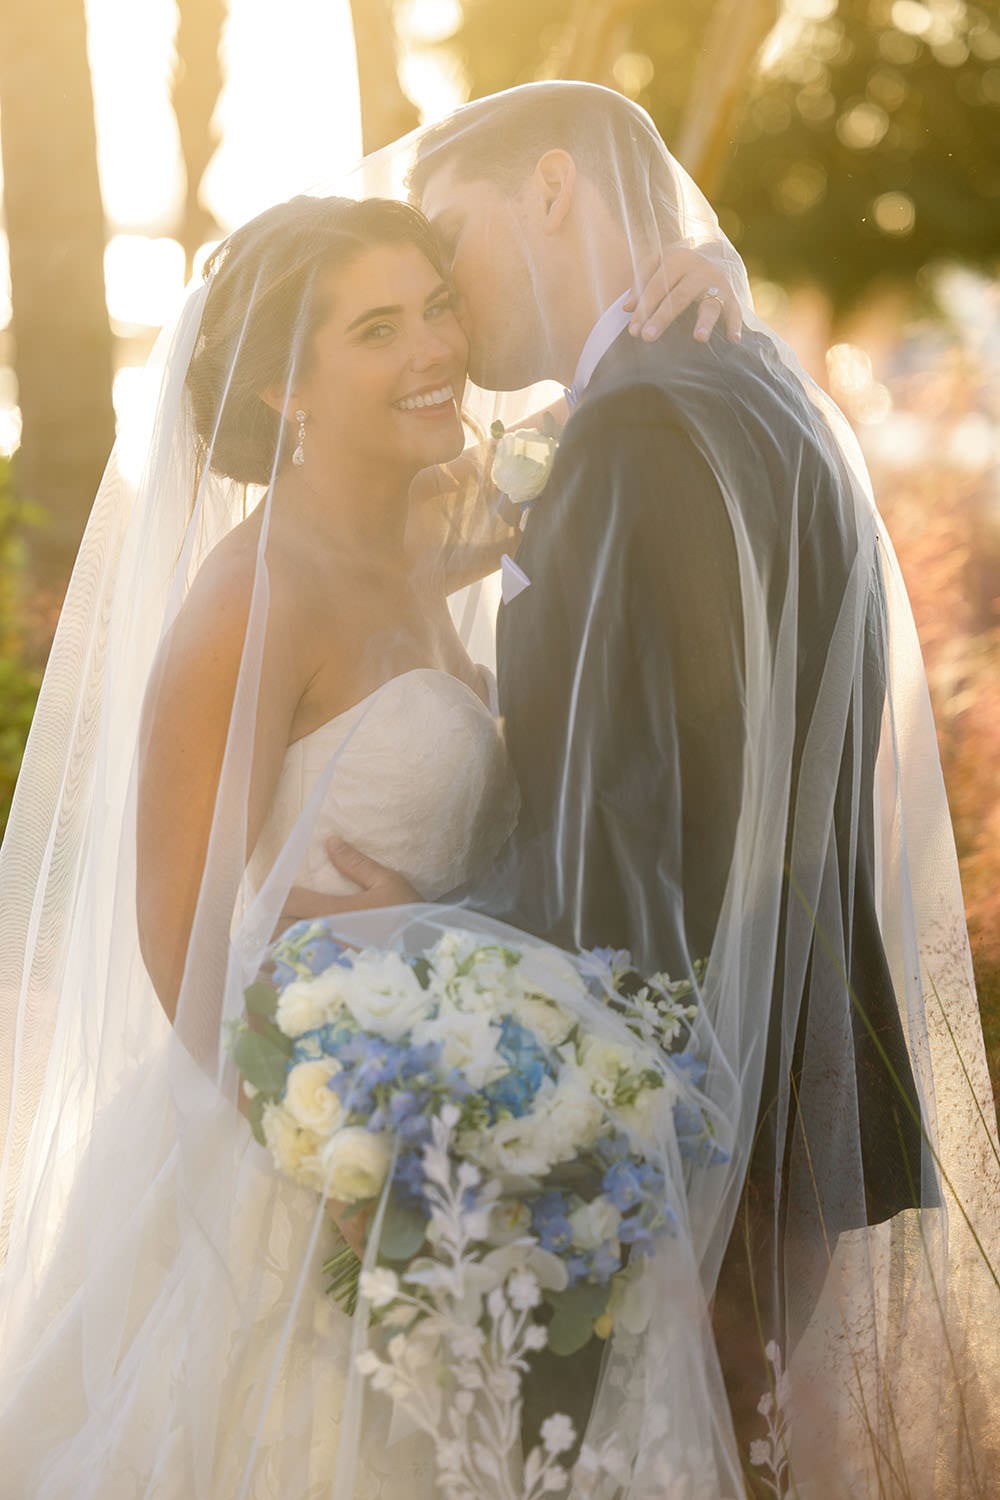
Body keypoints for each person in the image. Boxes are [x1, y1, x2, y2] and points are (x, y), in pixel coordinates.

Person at [289, 82, 1000, 1495]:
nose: (445, 300)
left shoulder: (640, 431)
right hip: (788, 1070)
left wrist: (411, 936)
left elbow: (621, 830)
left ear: (552, 188)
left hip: (669, 1121)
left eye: (453, 241)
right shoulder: (749, 380)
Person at [0, 181, 752, 1494]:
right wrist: (344, 1170)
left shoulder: (435, 528)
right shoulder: (251, 597)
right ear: (285, 389)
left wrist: (702, 268)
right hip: (312, 1144)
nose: (435, 352)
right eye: (378, 330)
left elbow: (600, 397)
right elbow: (177, 945)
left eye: (441, 308)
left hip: (454, 1113)